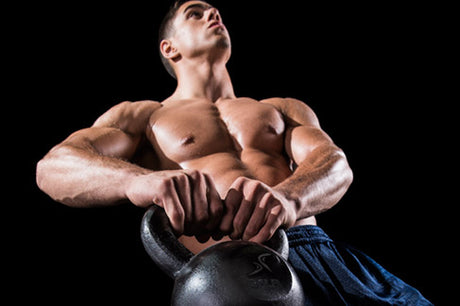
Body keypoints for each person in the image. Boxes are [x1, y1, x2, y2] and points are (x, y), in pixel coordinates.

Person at [36, 1, 432, 304]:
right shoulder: (146, 116)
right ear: (169, 47)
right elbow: (54, 168)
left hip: (320, 251)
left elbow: (335, 164)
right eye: (196, 13)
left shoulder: (279, 107)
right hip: (227, 273)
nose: (212, 14)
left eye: (215, 11)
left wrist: (290, 198)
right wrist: (142, 181)